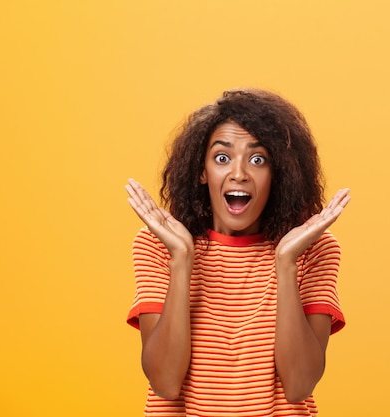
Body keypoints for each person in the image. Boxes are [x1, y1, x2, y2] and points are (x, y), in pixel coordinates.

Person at [125, 88, 351, 417]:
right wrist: (182, 260)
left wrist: (286, 265)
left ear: (278, 174)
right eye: (222, 157)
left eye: (258, 159)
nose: (239, 173)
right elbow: (165, 383)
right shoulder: (159, 245)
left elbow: (300, 385)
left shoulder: (312, 250)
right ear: (201, 171)